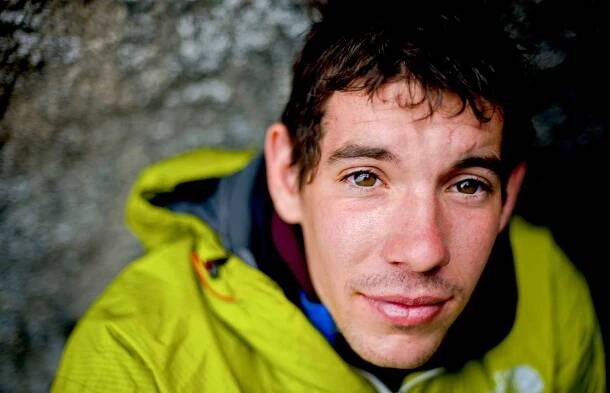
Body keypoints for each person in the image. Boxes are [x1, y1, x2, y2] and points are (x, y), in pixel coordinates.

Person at [52, 2, 605, 392]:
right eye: (365, 177)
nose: (422, 251)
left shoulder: (549, 291)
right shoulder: (136, 358)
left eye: (467, 185)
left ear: (508, 196)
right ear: (288, 174)